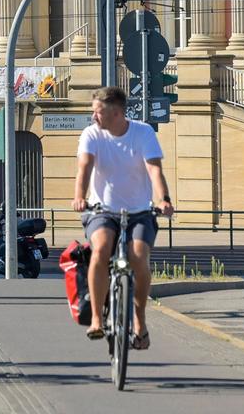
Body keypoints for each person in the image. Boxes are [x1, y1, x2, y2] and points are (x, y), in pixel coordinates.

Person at [71, 86, 172, 348]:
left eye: (98, 112)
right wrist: (80, 196)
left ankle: (139, 320)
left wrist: (163, 200)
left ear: (116, 113)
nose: (94, 117)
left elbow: (154, 171)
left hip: (139, 210)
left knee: (139, 257)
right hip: (102, 209)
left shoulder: (143, 133)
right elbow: (85, 167)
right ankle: (96, 318)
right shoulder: (91, 134)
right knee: (101, 248)